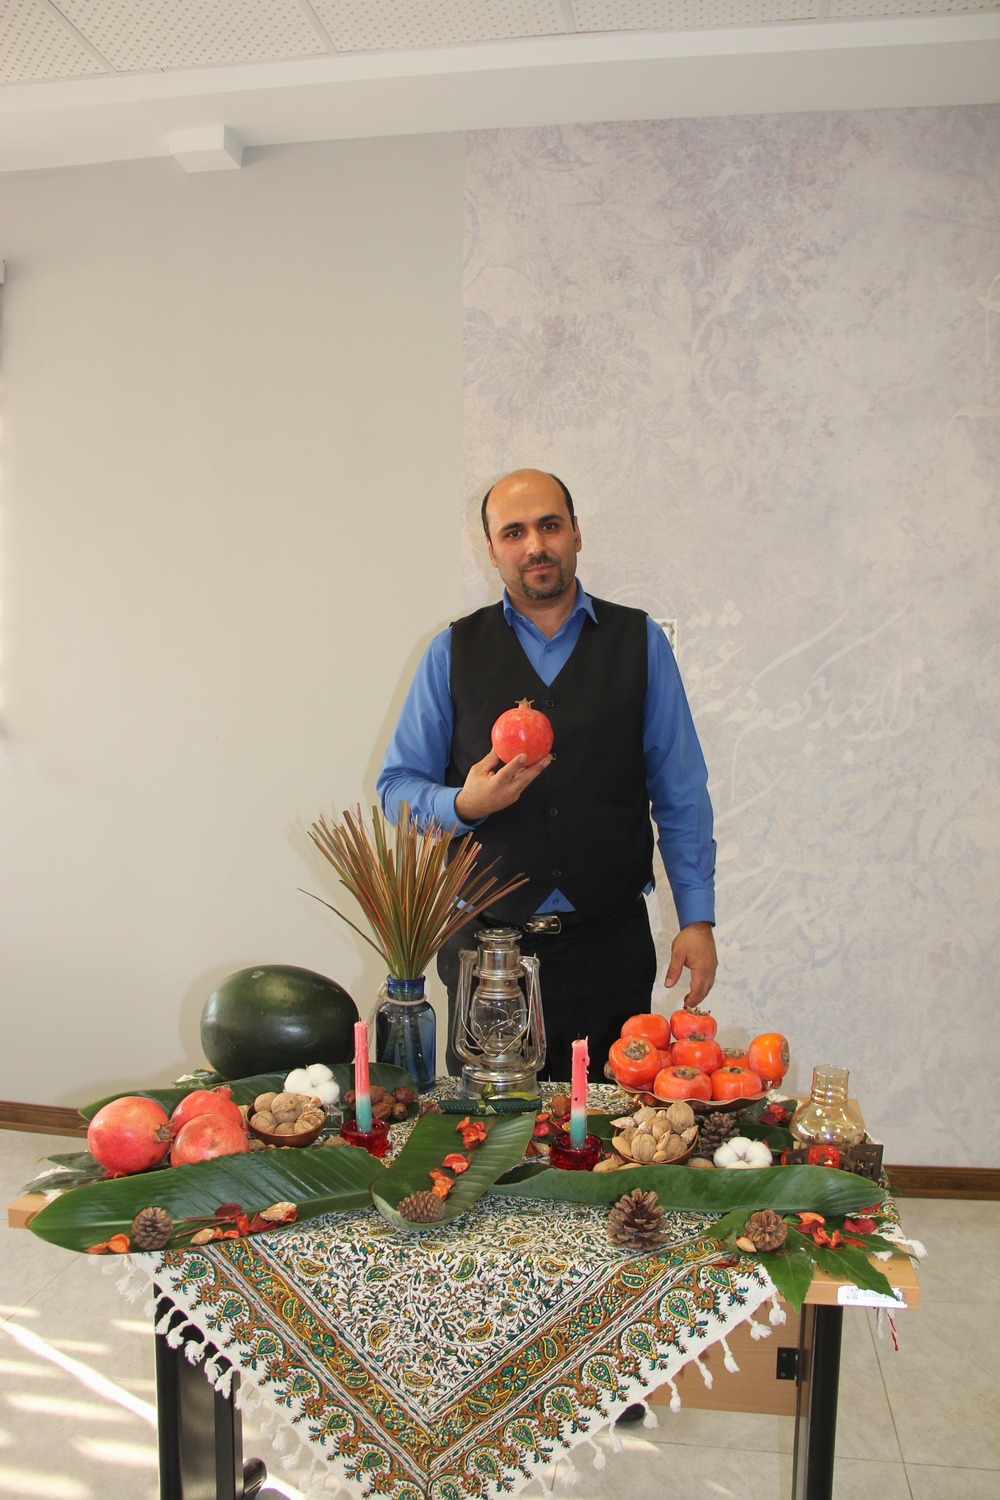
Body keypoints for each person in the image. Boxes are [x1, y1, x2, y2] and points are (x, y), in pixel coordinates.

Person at [376, 468, 717, 1081]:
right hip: (488, 953)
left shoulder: (639, 643)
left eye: (549, 525)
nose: (534, 545)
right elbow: (395, 790)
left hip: (610, 947)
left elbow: (681, 793)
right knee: (489, 1133)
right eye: (514, 532)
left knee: (610, 1130)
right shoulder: (450, 652)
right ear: (492, 551)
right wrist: (466, 805)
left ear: (576, 533)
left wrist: (696, 919)